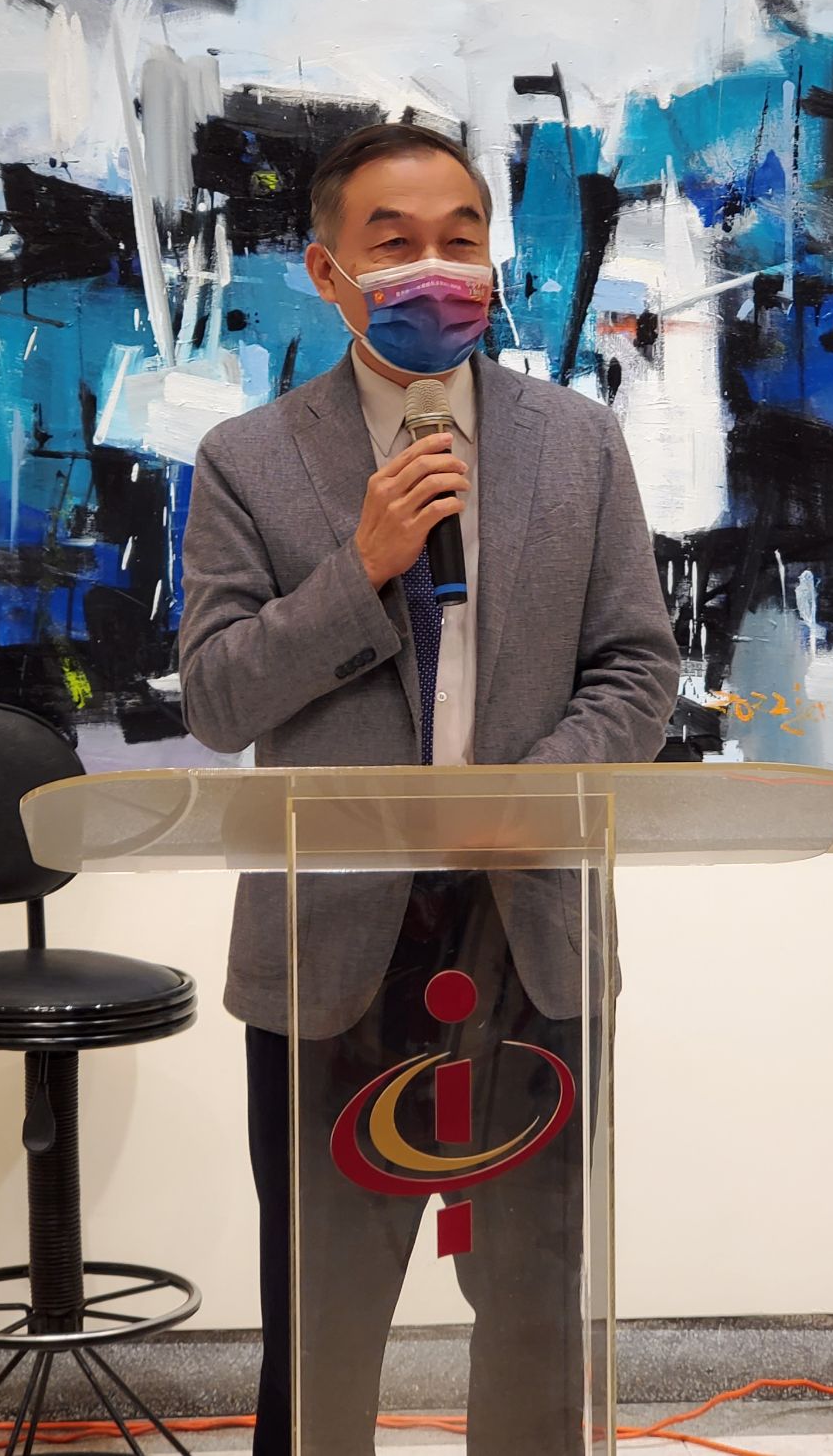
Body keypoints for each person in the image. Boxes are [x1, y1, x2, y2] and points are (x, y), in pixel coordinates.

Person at [177, 120, 680, 1456]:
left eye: (461, 239)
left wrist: (528, 798)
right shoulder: (246, 459)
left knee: (536, 1305)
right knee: (323, 1314)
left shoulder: (577, 443)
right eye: (393, 242)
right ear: (326, 270)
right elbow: (218, 695)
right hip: (331, 940)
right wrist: (362, 569)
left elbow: (638, 667)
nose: (434, 267)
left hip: (532, 931)